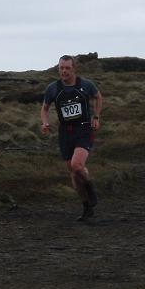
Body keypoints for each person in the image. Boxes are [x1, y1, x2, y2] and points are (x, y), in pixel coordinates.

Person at [40, 55, 103, 221]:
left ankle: (91, 189)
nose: (64, 71)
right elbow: (44, 108)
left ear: (74, 68)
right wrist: (45, 123)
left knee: (77, 165)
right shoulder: (53, 88)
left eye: (67, 68)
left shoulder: (86, 85)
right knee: (75, 173)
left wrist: (96, 117)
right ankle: (86, 206)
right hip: (65, 133)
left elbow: (98, 97)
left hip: (83, 129)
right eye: (61, 68)